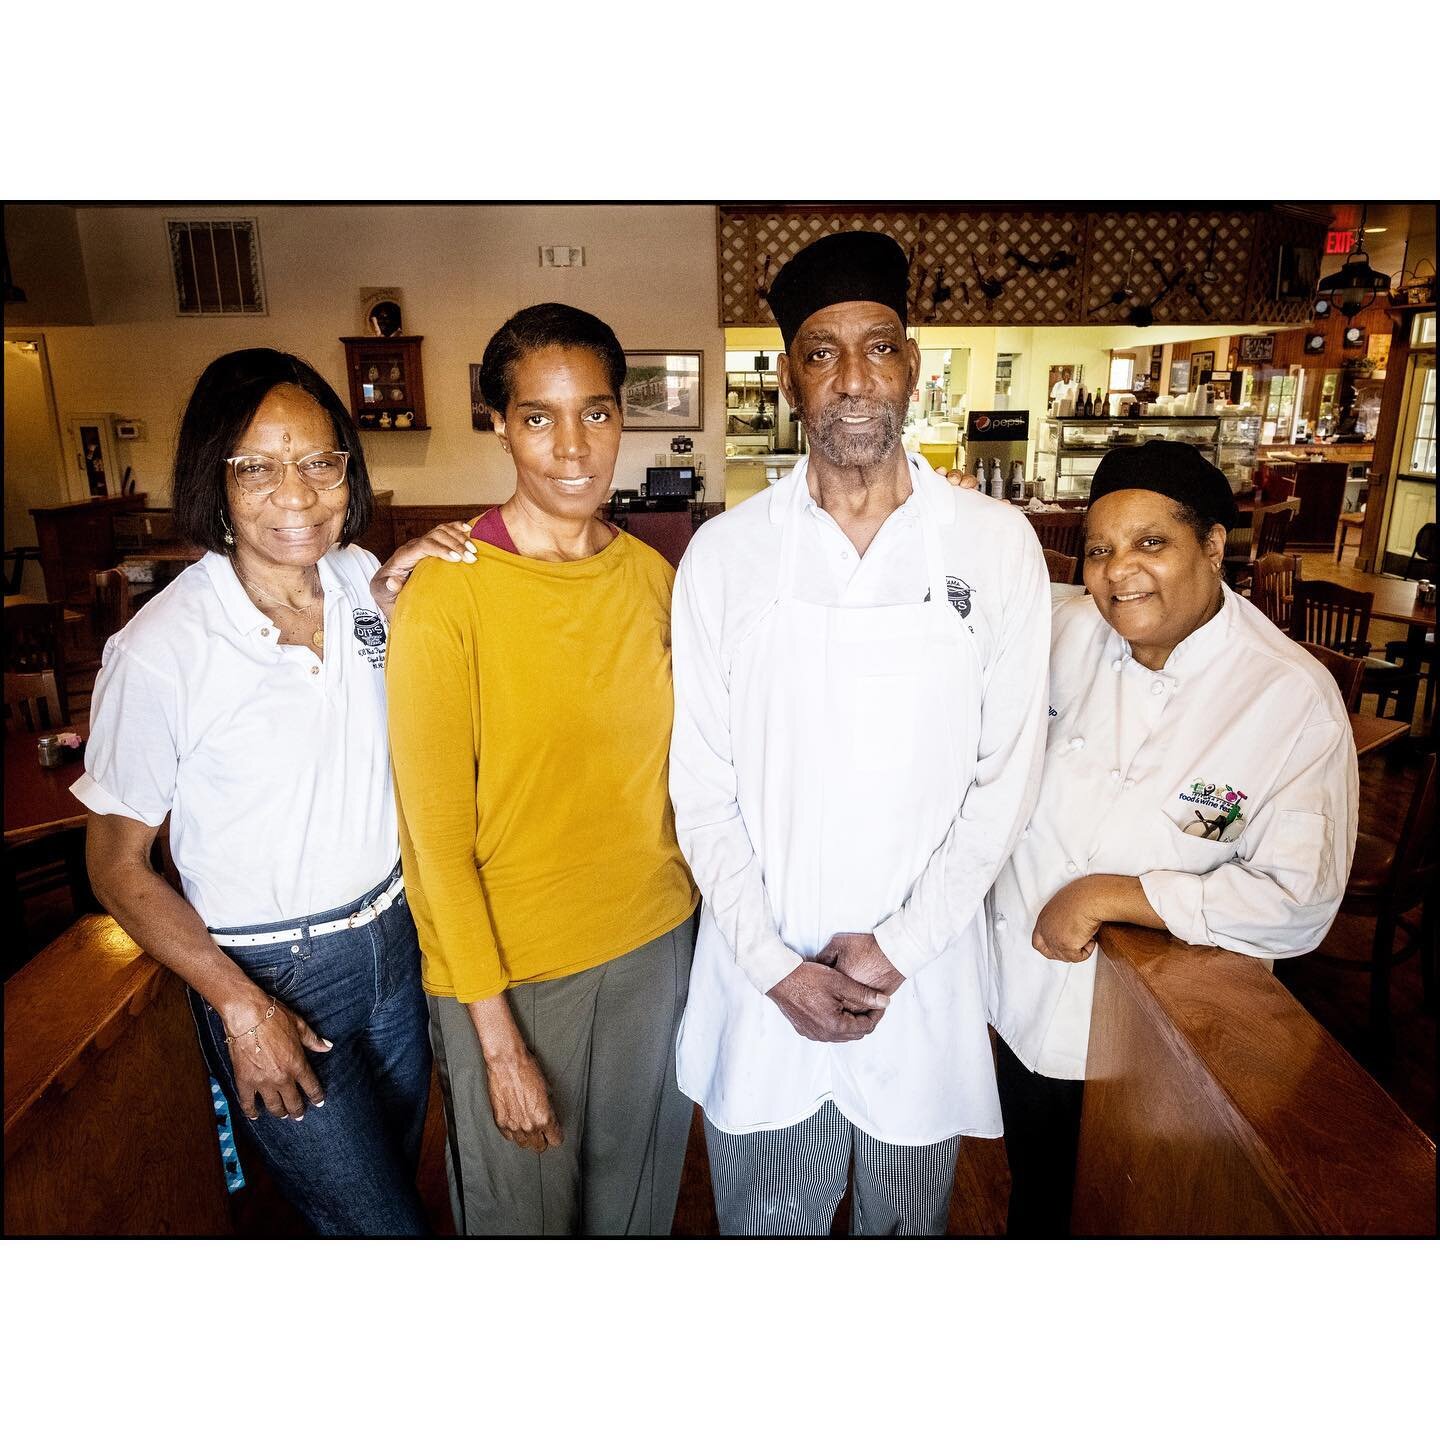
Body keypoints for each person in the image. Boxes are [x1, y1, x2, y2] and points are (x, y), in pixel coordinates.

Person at [669, 230, 1051, 1236]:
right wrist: (770, 962)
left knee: (902, 1230)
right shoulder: (725, 556)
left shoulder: (996, 546)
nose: (852, 378)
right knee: (767, 1229)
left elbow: (1004, 780)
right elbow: (700, 786)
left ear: (912, 366)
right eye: (822, 352)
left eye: (878, 346)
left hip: (918, 984)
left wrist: (896, 947)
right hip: (763, 976)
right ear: (790, 377)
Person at [78, 347, 476, 1238]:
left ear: (348, 469)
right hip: (274, 972)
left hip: (396, 941)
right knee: (381, 1229)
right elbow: (114, 865)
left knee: (391, 1188)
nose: (295, 494)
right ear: (212, 481)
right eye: (255, 467)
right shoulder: (163, 648)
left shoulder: (357, 581)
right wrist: (241, 1007)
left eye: (319, 462)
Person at [987, 439, 1359, 1236]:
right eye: (1100, 549)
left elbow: (1299, 905)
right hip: (1013, 999)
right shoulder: (1066, 629)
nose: (1120, 572)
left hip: (1151, 1037)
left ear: (1215, 547)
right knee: (1035, 1205)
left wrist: (1111, 896)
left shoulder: (1289, 700)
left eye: (1151, 543)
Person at [386, 303, 699, 1237]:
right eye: (537, 417)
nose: (572, 448)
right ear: (498, 422)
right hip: (513, 975)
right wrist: (496, 1041)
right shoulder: (446, 592)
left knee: (635, 1215)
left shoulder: (653, 580)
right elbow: (432, 843)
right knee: (522, 1226)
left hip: (656, 951)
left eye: (596, 413)